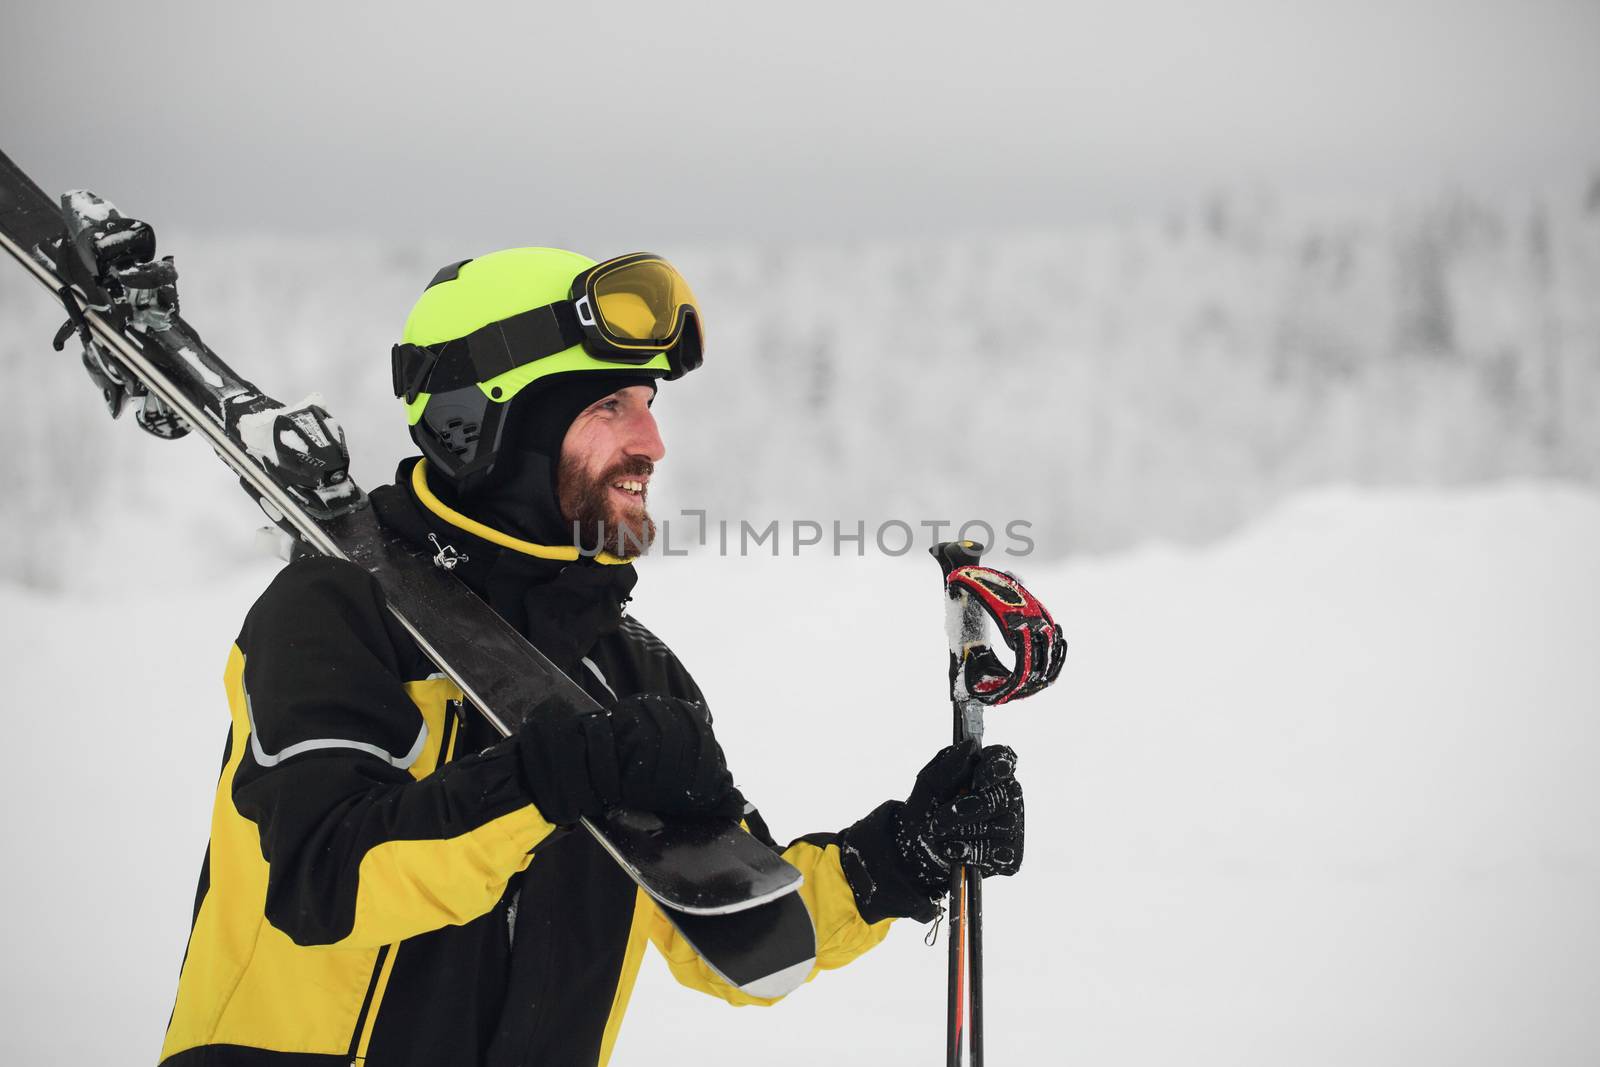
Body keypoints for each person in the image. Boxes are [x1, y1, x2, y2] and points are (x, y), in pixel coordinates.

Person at [157, 248, 1028, 1066]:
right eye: (611, 406)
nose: (651, 443)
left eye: (648, 405)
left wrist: (901, 856)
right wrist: (548, 783)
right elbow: (324, 881)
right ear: (486, 427)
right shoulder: (338, 612)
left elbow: (737, 941)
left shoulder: (635, 676)